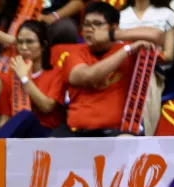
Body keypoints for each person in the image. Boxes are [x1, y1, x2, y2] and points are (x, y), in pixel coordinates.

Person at [55, 1, 163, 137]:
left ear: (113, 27)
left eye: (98, 24)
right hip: (78, 132)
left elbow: (158, 36)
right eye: (86, 24)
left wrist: (113, 35)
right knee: (49, 144)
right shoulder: (73, 55)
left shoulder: (126, 51)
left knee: (126, 140)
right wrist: (127, 49)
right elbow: (89, 76)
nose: (90, 29)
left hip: (117, 132)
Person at [0, 20, 66, 138]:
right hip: (19, 135)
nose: (24, 47)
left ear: (43, 45)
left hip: (46, 134)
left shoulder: (57, 73)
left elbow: (47, 106)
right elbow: (5, 120)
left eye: (29, 42)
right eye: (20, 42)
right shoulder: (12, 75)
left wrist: (24, 78)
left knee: (26, 115)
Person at [118, 0, 174, 135]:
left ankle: (144, 137)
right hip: (122, 69)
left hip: (152, 69)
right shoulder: (120, 16)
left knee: (144, 78)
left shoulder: (167, 15)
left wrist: (145, 54)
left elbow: (169, 55)